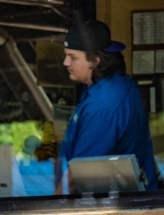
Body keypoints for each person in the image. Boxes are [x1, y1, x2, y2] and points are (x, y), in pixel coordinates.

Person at [59, 19, 157, 192]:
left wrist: (51, 207)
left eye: (73, 57)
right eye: (66, 55)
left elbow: (78, 174)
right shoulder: (110, 82)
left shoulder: (104, 104)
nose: (66, 62)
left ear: (95, 61)